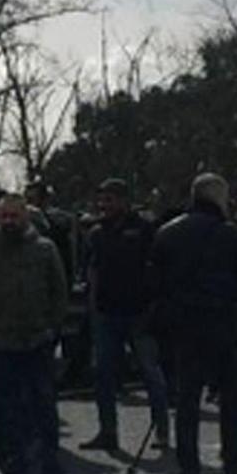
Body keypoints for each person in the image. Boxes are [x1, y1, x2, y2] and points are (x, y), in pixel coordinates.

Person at [150, 172, 237, 474]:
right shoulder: (229, 234)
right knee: (232, 401)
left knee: (187, 403)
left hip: (184, 327)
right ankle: (234, 467)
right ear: (218, 197)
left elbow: (155, 283)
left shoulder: (167, 233)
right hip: (223, 324)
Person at [0, 194, 71, 474]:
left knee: (43, 401)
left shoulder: (44, 249)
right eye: (4, 216)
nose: (8, 222)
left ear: (25, 217)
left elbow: (59, 291)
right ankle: (13, 456)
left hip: (35, 339)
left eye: (14, 216)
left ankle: (49, 458)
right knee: (6, 404)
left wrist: (52, 328)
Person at [82, 179, 165, 455]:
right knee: (103, 375)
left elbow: (157, 267)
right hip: (106, 314)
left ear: (124, 201)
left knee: (151, 373)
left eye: (110, 200)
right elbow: (91, 270)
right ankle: (108, 433)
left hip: (139, 313)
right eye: (102, 200)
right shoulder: (96, 233)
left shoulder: (143, 230)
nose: (104, 205)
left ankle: (161, 430)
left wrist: (153, 305)